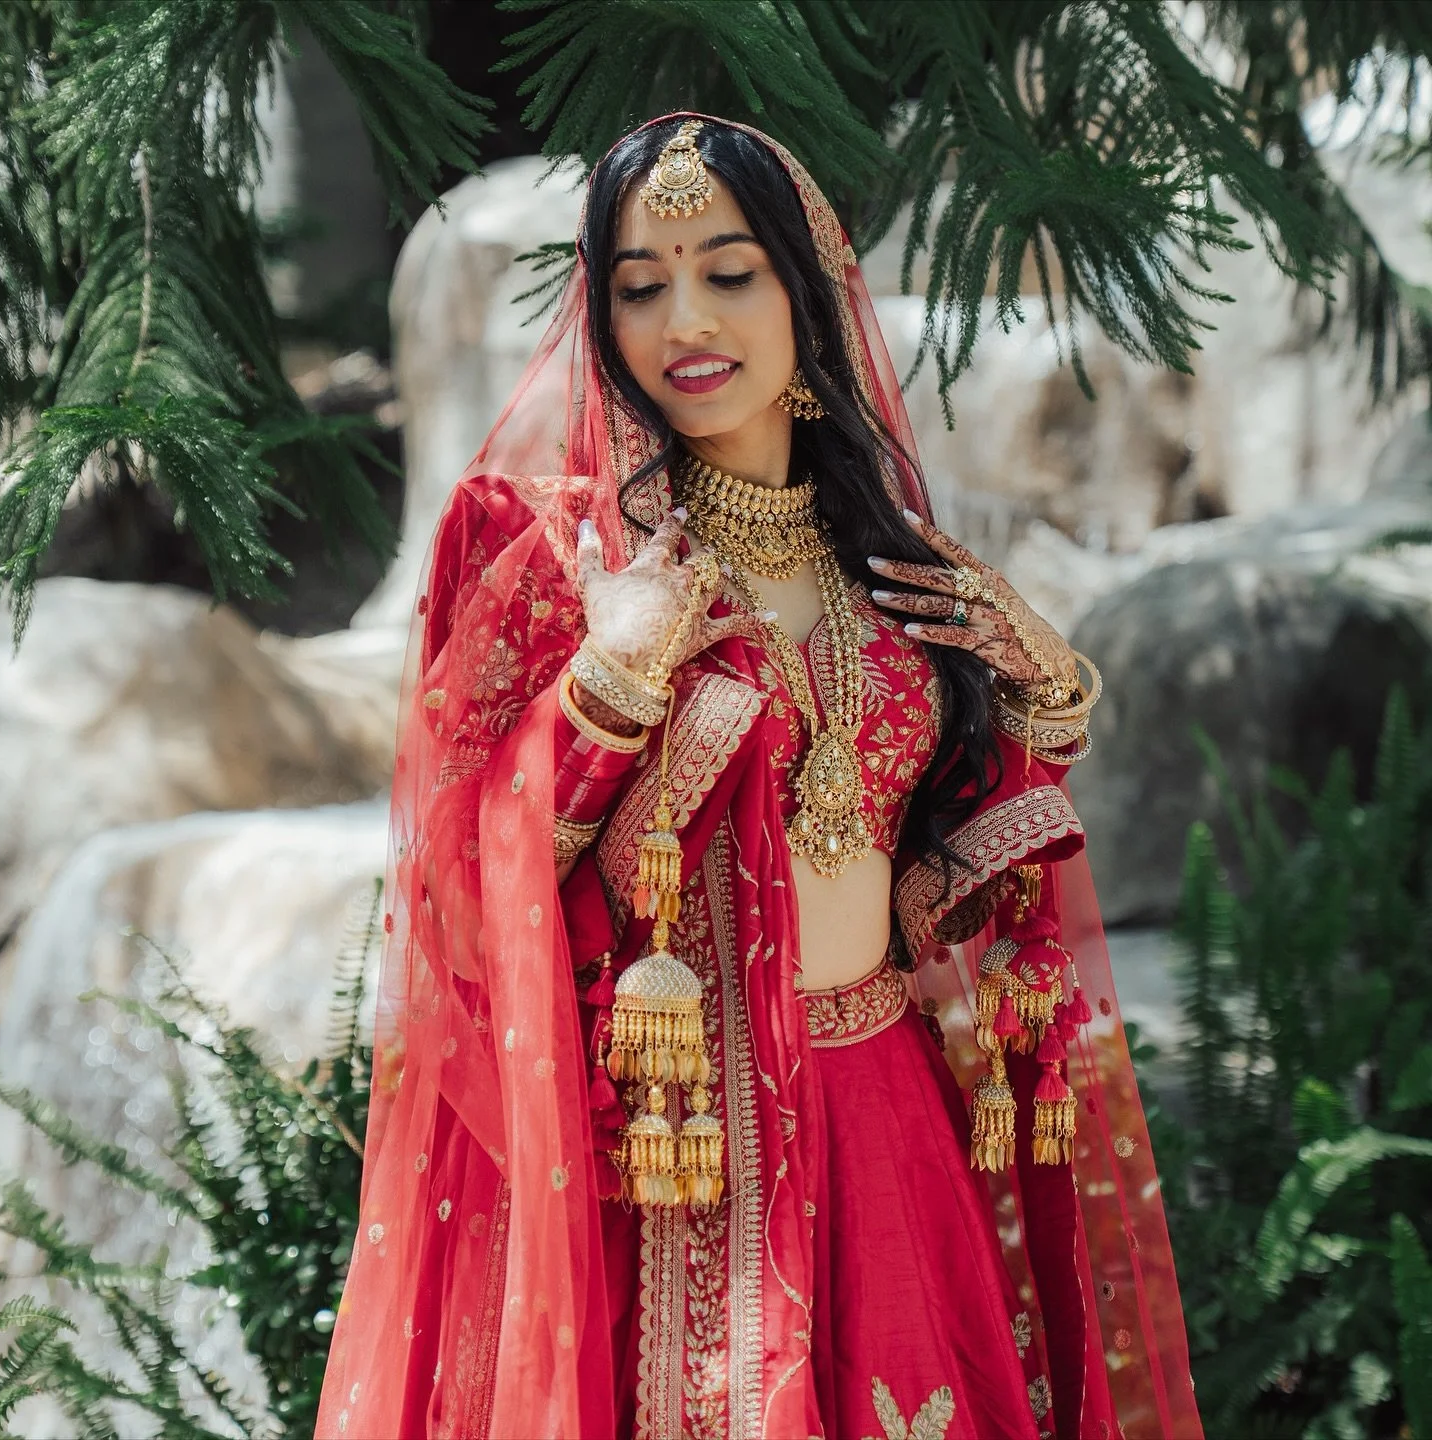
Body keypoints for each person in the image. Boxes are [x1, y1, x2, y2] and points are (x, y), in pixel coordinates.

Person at [315, 114, 1201, 1440]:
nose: (686, 318)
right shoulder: (558, 567)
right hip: (674, 1161)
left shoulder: (898, 576)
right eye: (639, 284)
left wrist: (1046, 689)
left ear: (811, 287)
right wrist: (607, 686)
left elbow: (951, 848)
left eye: (729, 272)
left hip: (886, 1110)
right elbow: (457, 873)